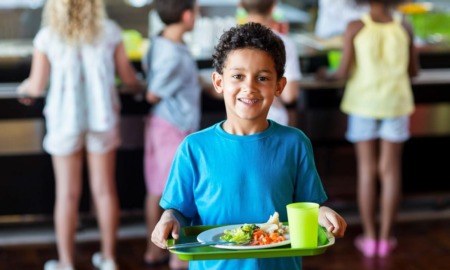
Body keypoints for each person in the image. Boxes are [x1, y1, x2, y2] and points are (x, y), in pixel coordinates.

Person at [151, 22, 347, 270]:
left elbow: (309, 207)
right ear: (219, 82)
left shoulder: (295, 143)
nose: (250, 87)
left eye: (263, 78)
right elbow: (178, 210)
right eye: (238, 76)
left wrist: (322, 214)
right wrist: (169, 218)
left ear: (279, 86)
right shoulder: (194, 148)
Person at [17, 0, 142, 269]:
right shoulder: (110, 31)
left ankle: (66, 262)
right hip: (103, 118)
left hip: (65, 121)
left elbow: (36, 86)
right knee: (106, 190)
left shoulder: (47, 37)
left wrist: (24, 89)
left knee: (67, 194)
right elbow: (129, 78)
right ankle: (108, 258)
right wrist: (139, 85)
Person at [316, 0, 419, 258]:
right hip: (396, 103)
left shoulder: (355, 26)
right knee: (391, 171)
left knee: (367, 170)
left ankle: (370, 238)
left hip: (363, 104)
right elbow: (414, 71)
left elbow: (341, 72)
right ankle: (385, 240)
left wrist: (324, 74)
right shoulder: (405, 26)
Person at [141, 0, 201, 269]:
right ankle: (178, 257)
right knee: (178, 193)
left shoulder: (159, 42)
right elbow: (154, 91)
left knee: (157, 188)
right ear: (187, 15)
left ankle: (153, 251)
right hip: (174, 129)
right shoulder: (175, 54)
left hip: (160, 124)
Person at [239, 0, 301, 126]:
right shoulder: (284, 43)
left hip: (238, 121)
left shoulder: (232, 42)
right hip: (273, 121)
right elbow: (290, 95)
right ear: (273, 7)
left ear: (240, 6)